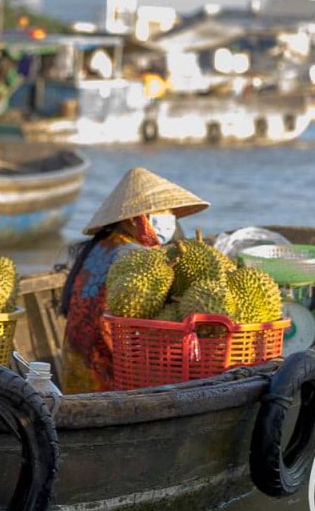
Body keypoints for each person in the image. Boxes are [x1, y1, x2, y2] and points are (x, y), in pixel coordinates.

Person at [59, 167, 209, 393]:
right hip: (114, 377)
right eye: (162, 214)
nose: (170, 223)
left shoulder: (100, 245)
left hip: (75, 374)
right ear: (132, 219)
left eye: (171, 216)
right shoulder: (134, 254)